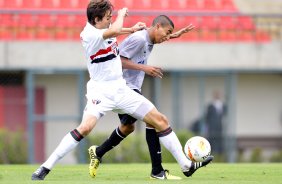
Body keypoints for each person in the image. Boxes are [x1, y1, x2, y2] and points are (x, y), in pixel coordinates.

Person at [31, 0, 213, 180]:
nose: (111, 20)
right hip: (101, 92)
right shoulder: (89, 35)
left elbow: (120, 32)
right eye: (108, 18)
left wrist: (132, 28)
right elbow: (116, 30)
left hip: (121, 89)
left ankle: (186, 166)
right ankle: (45, 167)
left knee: (159, 120)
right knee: (85, 128)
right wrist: (120, 15)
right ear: (96, 19)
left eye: (111, 18)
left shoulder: (102, 30)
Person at [88, 15, 195, 180]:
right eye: (166, 32)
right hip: (122, 88)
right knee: (155, 120)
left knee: (128, 128)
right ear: (157, 26)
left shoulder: (150, 38)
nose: (166, 37)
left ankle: (98, 152)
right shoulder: (139, 39)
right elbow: (118, 61)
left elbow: (158, 36)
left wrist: (175, 35)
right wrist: (144, 68)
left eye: (169, 35)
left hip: (130, 87)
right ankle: (161, 170)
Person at [205, 91, 226, 155]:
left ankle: (219, 155)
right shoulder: (210, 106)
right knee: (212, 142)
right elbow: (207, 117)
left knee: (219, 142)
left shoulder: (222, 105)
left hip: (219, 128)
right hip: (212, 128)